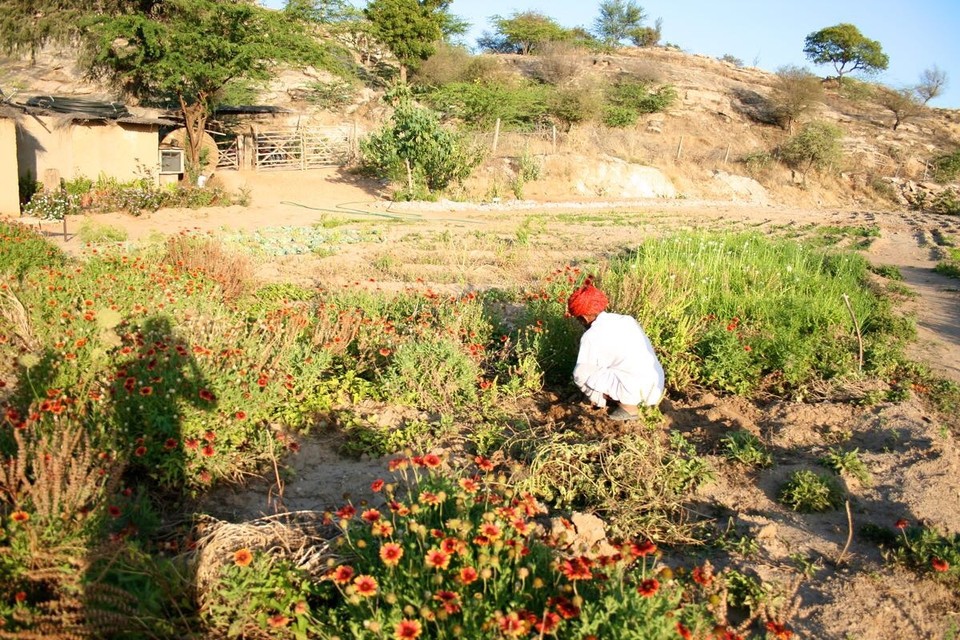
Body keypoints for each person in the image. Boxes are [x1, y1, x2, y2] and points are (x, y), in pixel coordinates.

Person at [567, 282, 665, 421]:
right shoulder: (627, 320)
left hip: (635, 392)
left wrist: (598, 398)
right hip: (656, 386)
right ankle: (635, 402)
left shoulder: (591, 335)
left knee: (582, 372)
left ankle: (628, 408)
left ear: (583, 318)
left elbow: (580, 373)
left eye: (578, 320)